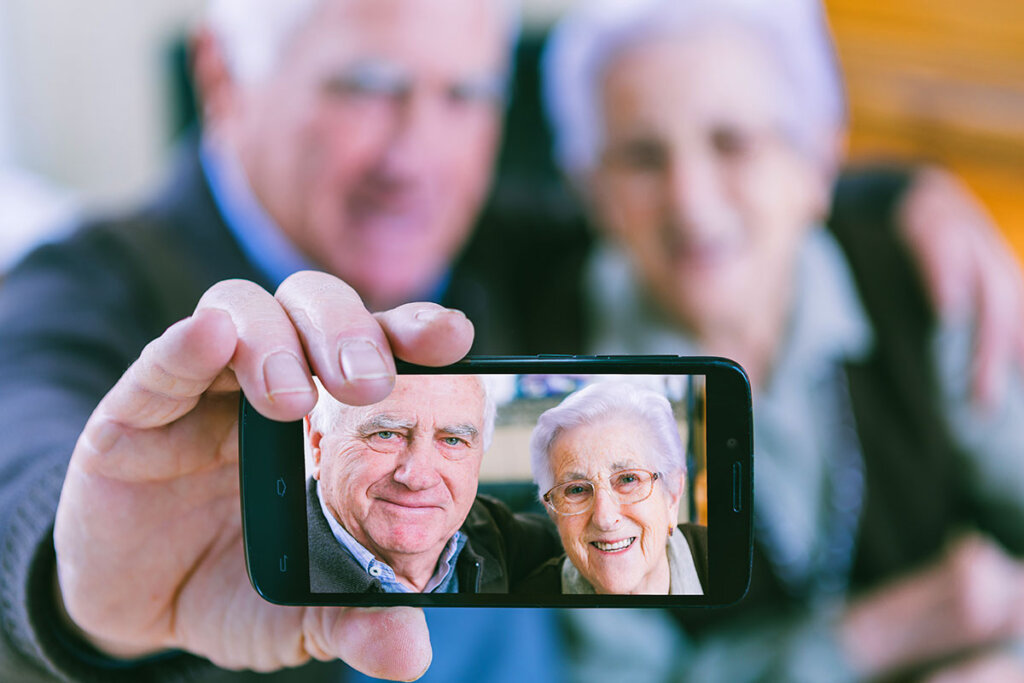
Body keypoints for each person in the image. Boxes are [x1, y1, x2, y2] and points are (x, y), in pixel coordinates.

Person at [0, 0, 1021, 680]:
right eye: (365, 85)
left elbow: (710, 207)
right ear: (222, 76)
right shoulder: (81, 287)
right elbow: (31, 448)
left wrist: (907, 197)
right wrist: (75, 579)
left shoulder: (490, 248)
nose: (420, 152)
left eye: (466, 96)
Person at [541, 0, 1024, 679]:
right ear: (592, 189)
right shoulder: (555, 378)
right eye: (643, 158)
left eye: (732, 142)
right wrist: (881, 633)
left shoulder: (919, 276)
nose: (692, 199)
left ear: (818, 159)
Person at [304, 374, 559, 594]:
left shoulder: (503, 537)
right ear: (317, 444)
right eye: (386, 434)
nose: (418, 479)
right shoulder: (274, 579)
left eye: (452, 441)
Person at [518, 381, 706, 596]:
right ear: (553, 512)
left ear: (672, 495)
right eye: (577, 490)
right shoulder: (527, 604)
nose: (604, 518)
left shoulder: (736, 568)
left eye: (627, 479)